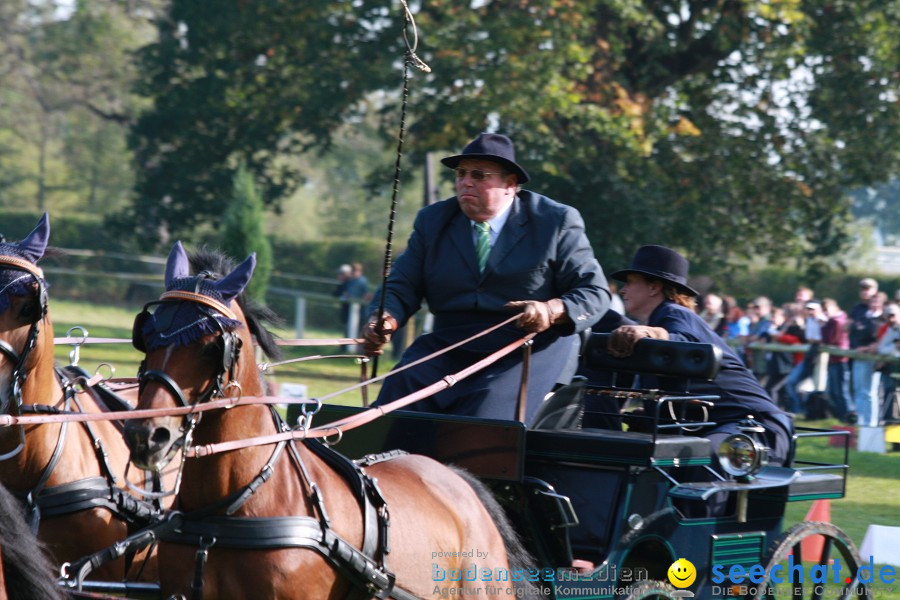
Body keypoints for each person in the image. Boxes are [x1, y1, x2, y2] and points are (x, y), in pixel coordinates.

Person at [362, 132, 610, 423]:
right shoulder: (433, 221)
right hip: (450, 342)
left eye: (479, 175)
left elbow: (594, 291)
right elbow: (402, 283)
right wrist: (385, 317)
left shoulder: (555, 221)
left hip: (527, 347)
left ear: (511, 184)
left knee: (481, 417)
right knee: (397, 395)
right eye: (461, 174)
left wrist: (551, 309)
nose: (466, 182)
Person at [606, 245, 793, 469]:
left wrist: (651, 333)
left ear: (654, 287)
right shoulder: (659, 321)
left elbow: (686, 345)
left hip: (754, 428)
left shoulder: (675, 314)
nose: (623, 290)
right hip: (721, 427)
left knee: (700, 461)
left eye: (630, 282)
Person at [848, 282, 884, 426]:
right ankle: (861, 422)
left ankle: (871, 424)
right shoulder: (864, 316)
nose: (874, 304)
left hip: (872, 359)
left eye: (877, 302)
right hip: (858, 357)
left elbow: (881, 339)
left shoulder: (882, 319)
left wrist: (868, 348)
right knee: (859, 391)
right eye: (872, 302)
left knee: (870, 393)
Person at [783, 300, 825, 416]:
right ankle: (799, 411)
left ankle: (813, 413)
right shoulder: (808, 321)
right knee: (791, 383)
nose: (810, 312)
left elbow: (824, 339)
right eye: (808, 309)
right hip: (809, 357)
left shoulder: (823, 321)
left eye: (813, 309)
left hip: (820, 358)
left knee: (817, 388)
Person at [821, 298, 850, 420]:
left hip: (840, 359)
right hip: (835, 359)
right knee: (835, 391)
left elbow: (830, 340)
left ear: (835, 308)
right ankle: (841, 416)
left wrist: (823, 326)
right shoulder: (834, 321)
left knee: (841, 391)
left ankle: (847, 416)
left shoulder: (837, 322)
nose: (825, 312)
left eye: (826, 310)